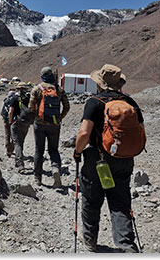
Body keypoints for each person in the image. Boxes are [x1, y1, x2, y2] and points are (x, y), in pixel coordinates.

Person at [73, 64, 145, 253]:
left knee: (91, 199)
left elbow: (84, 133)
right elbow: (141, 132)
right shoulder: (130, 102)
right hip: (124, 160)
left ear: (100, 83)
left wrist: (77, 152)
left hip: (97, 160)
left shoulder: (94, 102)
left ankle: (90, 241)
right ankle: (126, 246)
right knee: (120, 203)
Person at [29, 67, 70, 187]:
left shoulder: (37, 89)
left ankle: (38, 178)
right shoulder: (58, 89)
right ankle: (56, 170)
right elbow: (67, 106)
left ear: (42, 76)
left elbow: (31, 107)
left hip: (39, 124)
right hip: (54, 125)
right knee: (53, 150)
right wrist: (59, 118)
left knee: (39, 150)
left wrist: (37, 114)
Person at [8, 82, 31, 170]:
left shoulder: (14, 98)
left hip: (16, 122)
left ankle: (20, 164)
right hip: (26, 123)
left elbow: (10, 112)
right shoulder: (28, 98)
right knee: (21, 142)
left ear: (17, 89)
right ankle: (19, 159)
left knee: (16, 143)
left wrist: (10, 122)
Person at [1, 90, 16, 158]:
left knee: (7, 135)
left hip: (5, 121)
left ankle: (7, 149)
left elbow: (2, 112)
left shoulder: (5, 101)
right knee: (13, 136)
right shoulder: (15, 101)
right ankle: (10, 150)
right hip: (13, 121)